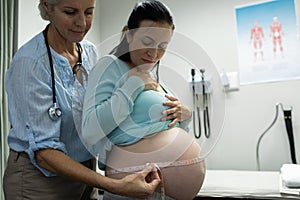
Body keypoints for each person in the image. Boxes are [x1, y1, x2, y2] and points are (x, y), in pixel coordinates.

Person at [3, 0, 161, 199]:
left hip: (84, 173)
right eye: (70, 12)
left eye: (89, 12)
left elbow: (100, 114)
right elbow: (44, 153)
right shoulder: (30, 63)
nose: (82, 23)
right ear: (47, 7)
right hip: (40, 180)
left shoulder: (89, 52)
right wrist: (114, 185)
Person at [82, 1, 206, 199]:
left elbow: (169, 136)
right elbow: (89, 131)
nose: (154, 54)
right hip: (128, 190)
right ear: (128, 35)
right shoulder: (110, 66)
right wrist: (132, 87)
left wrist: (185, 116)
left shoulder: (152, 77)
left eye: (163, 46)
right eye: (147, 42)